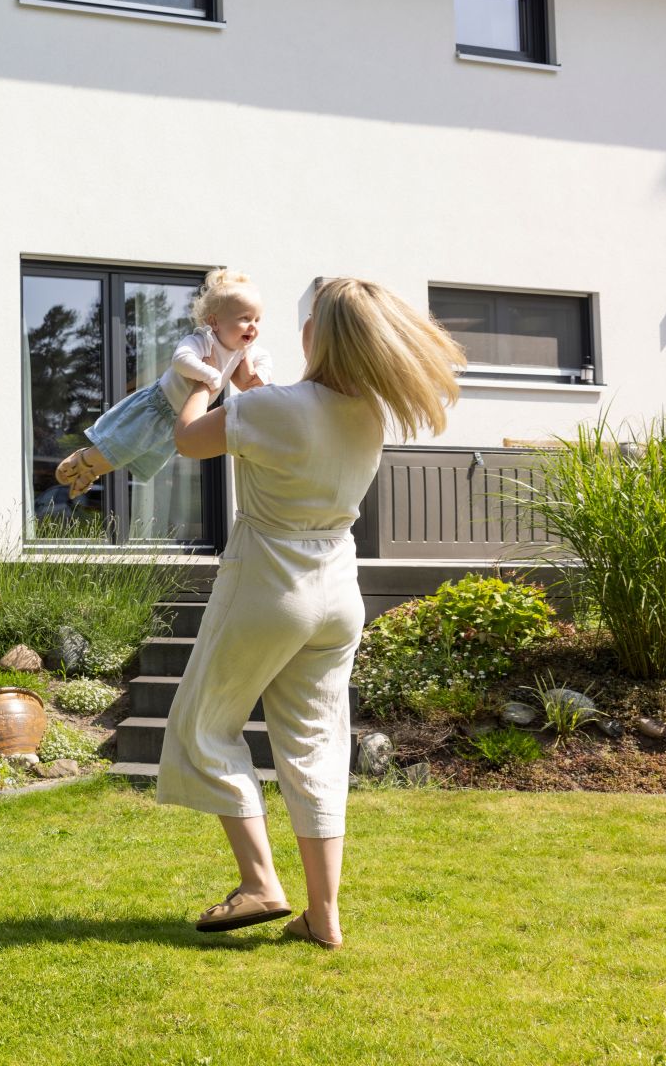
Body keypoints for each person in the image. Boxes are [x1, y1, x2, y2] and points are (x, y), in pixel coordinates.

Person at [157, 276, 462, 950]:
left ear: (319, 337)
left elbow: (188, 440)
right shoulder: (367, 415)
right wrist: (245, 381)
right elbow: (278, 423)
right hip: (336, 595)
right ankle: (323, 915)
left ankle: (260, 881)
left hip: (270, 586)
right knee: (317, 746)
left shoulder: (283, 409)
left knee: (204, 728)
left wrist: (204, 375)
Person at [56, 269, 274, 499]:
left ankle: (90, 473)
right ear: (214, 322)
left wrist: (261, 374)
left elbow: (264, 359)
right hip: (158, 405)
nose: (253, 326)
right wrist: (209, 374)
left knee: (126, 455)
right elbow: (181, 360)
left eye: (257, 319)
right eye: (244, 319)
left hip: (175, 421)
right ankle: (83, 458)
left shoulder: (244, 350)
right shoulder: (203, 340)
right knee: (121, 445)